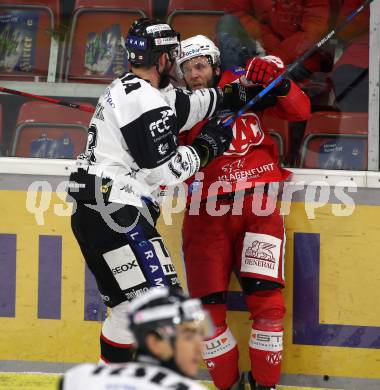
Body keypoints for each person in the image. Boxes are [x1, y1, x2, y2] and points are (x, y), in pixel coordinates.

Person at [67, 17, 255, 364]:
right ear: (162, 59)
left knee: (125, 314)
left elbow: (186, 106)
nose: (176, 61)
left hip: (92, 212)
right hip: (117, 214)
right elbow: (163, 171)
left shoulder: (133, 89)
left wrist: (228, 94)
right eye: (172, 54)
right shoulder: (145, 101)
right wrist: (205, 147)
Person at [176, 35, 311, 389]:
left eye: (200, 65)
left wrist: (278, 83)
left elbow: (301, 111)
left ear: (215, 65)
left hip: (258, 205)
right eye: (187, 69)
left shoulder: (243, 85)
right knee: (206, 314)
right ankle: (228, 385)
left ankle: (264, 385)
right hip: (205, 212)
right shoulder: (174, 104)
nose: (194, 74)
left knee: (268, 306)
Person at [59, 287, 212, 390]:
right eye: (188, 336)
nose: (200, 347)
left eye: (200, 334)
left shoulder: (79, 378)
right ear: (155, 342)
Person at [217, 0, 331, 80]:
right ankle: (231, 91)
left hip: (297, 60)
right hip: (259, 50)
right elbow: (235, 11)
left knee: (268, 82)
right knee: (228, 23)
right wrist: (266, 39)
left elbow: (313, 32)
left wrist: (273, 58)